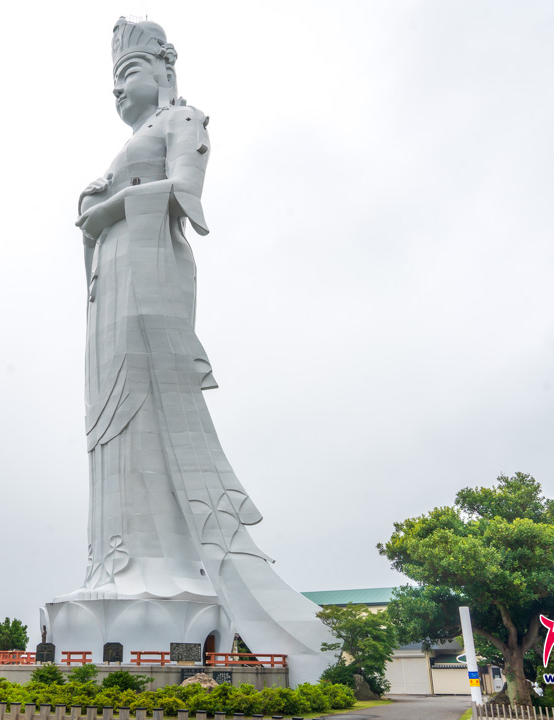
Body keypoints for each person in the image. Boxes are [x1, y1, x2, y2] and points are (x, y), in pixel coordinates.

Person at [62, 17, 332, 684]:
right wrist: (95, 208)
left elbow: (186, 193)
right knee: (112, 419)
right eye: (112, 83)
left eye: (128, 75)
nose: (118, 93)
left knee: (149, 401)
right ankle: (114, 565)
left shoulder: (181, 122)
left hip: (150, 271)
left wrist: (111, 206)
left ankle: (168, 571)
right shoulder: (129, 141)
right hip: (113, 279)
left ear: (163, 70)